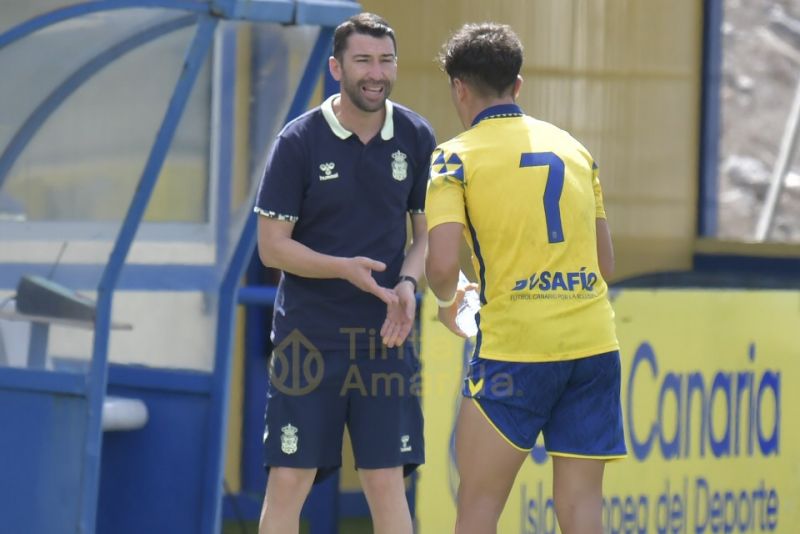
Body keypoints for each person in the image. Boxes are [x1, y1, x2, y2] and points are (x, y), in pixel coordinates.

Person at [425, 23, 626, 534]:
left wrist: (449, 302)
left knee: (478, 508)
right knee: (582, 510)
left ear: (459, 88)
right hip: (593, 347)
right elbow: (606, 265)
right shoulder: (576, 151)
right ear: (519, 85)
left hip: (514, 352)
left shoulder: (454, 156)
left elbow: (443, 264)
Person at [253, 12, 436, 534]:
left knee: (385, 481)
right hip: (306, 340)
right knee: (290, 480)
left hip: (385, 338)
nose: (376, 73)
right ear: (336, 67)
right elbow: (272, 249)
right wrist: (343, 270)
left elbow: (425, 235)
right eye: (363, 61)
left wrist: (407, 283)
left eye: (385, 60)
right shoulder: (299, 140)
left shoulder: (417, 135)